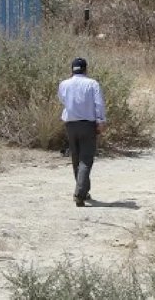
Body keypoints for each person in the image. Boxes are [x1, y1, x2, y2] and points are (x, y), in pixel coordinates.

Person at [58, 57, 107, 207]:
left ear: (72, 70)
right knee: (86, 159)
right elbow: (99, 103)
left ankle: (83, 191)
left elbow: (62, 100)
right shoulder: (92, 84)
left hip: (70, 125)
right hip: (87, 125)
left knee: (76, 158)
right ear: (86, 69)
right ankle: (80, 194)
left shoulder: (64, 84)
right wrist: (101, 121)